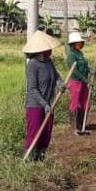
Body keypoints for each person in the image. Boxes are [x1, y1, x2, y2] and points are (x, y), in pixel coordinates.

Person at [23, 29, 61, 160]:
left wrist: (60, 82)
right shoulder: (32, 65)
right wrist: (44, 104)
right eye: (48, 48)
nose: (51, 51)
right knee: (35, 132)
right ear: (41, 50)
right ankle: (30, 159)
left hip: (49, 103)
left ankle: (41, 157)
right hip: (35, 105)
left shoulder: (49, 62)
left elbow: (56, 76)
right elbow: (32, 89)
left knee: (46, 132)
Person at [65, 30, 93, 136]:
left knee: (85, 103)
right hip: (75, 82)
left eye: (81, 43)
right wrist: (85, 80)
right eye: (78, 43)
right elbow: (75, 71)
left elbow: (84, 66)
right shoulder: (71, 55)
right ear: (73, 44)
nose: (80, 44)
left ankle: (82, 126)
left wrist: (90, 70)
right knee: (75, 104)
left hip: (84, 82)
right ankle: (74, 128)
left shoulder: (80, 54)